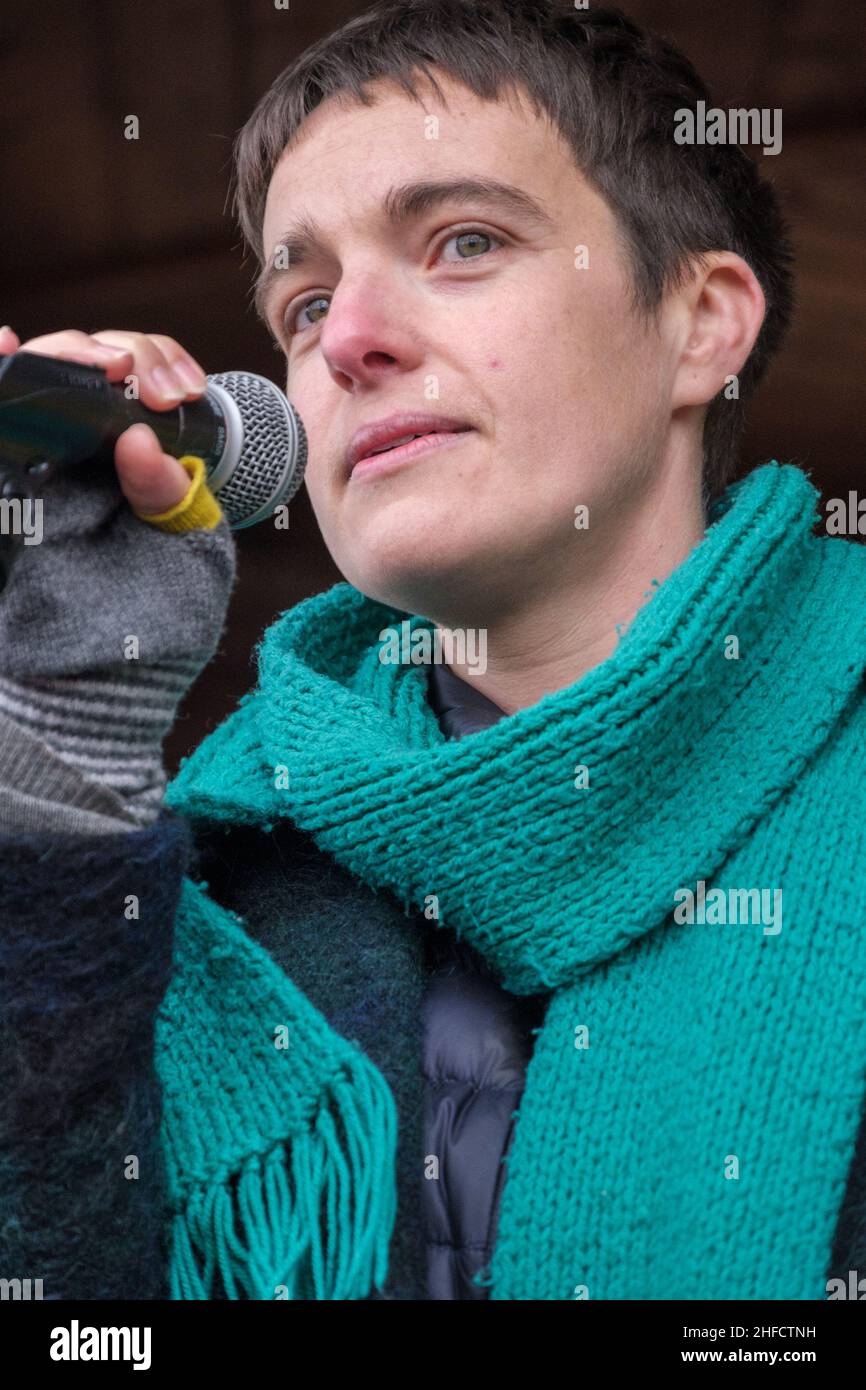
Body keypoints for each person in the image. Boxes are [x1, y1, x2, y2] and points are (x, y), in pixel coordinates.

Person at [2, 0, 866, 1302]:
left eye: (462, 241)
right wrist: (58, 789)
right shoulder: (212, 868)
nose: (346, 341)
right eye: (301, 302)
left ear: (701, 325)